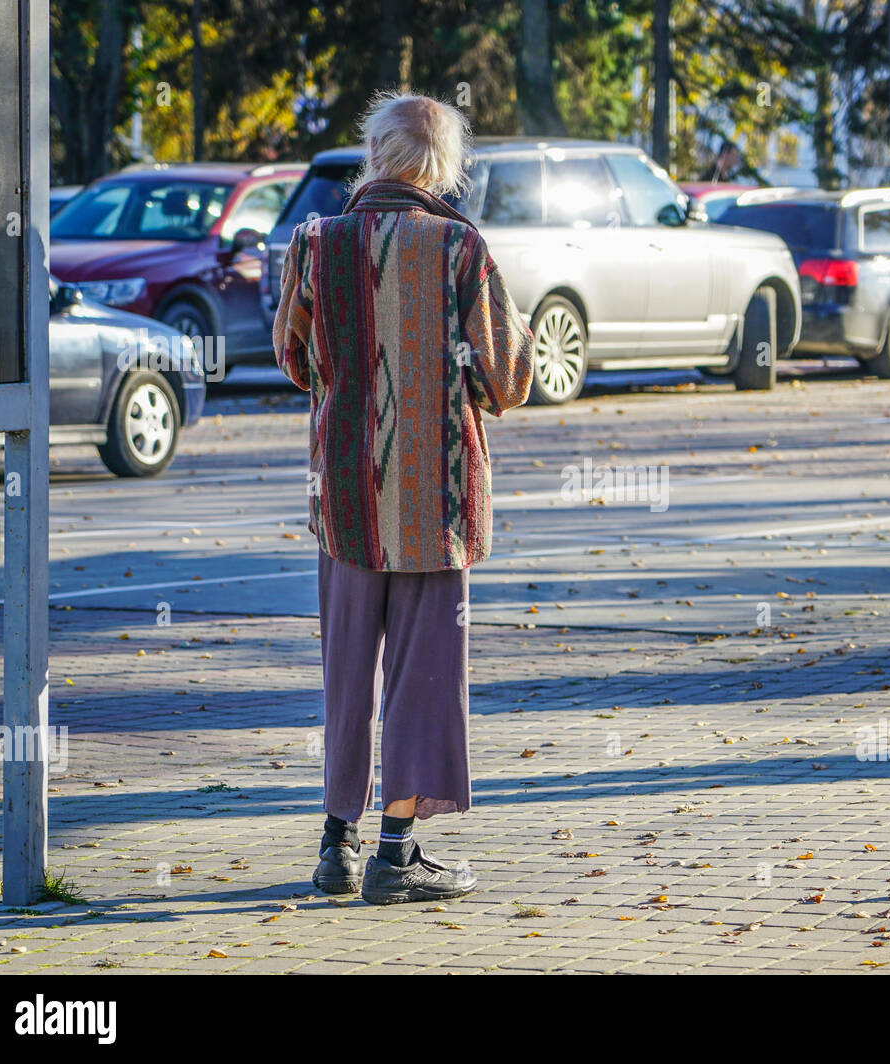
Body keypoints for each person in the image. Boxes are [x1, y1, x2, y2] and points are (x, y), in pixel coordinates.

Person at [273, 92, 534, 904]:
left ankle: (334, 847)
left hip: (345, 493)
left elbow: (292, 355)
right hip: (437, 500)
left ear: (375, 154)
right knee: (424, 673)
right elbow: (508, 378)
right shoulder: (459, 247)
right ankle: (396, 853)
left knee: (344, 669)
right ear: (443, 166)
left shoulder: (317, 243)